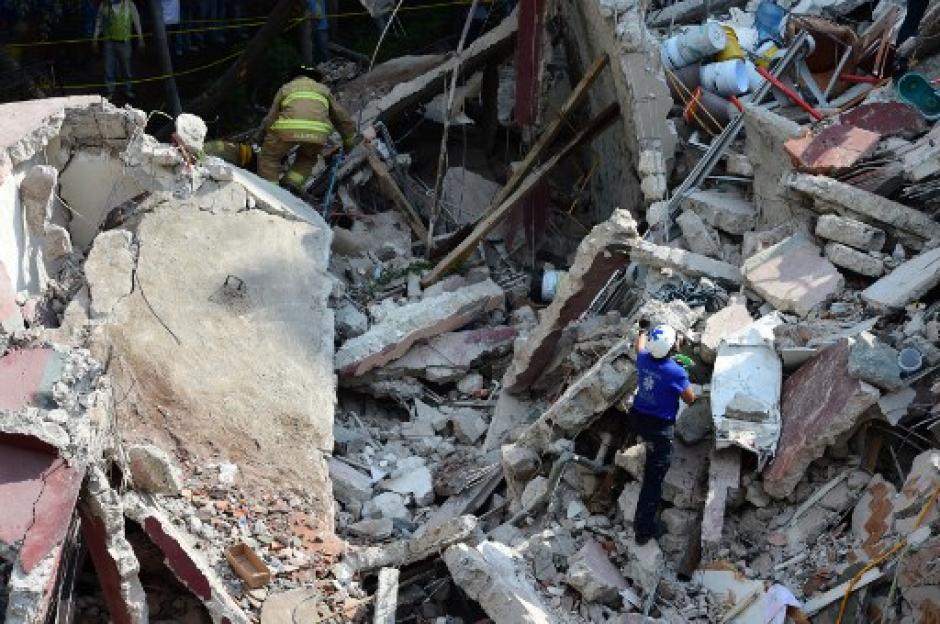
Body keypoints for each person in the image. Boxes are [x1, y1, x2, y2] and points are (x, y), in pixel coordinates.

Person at [624, 323, 696, 544]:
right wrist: (684, 378)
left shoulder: (643, 358)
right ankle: (644, 530)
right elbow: (690, 399)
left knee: (641, 438)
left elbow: (640, 345)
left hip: (638, 416)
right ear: (672, 346)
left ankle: (632, 449)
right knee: (653, 479)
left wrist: (642, 331)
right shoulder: (675, 371)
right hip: (659, 428)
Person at [257, 65, 358, 191]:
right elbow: (342, 118)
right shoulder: (323, 90)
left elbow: (270, 118)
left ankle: (269, 190)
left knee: (269, 158)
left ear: (294, 77)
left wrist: (259, 139)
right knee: (307, 158)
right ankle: (290, 185)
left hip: (287, 130)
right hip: (317, 134)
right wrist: (349, 143)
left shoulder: (286, 88)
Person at [93, 0, 145, 100]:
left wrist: (140, 38)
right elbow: (99, 21)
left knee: (126, 67)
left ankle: (127, 89)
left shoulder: (129, 4)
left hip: (124, 41)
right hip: (109, 41)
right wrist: (95, 38)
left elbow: (136, 20)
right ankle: (110, 91)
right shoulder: (104, 4)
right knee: (109, 68)